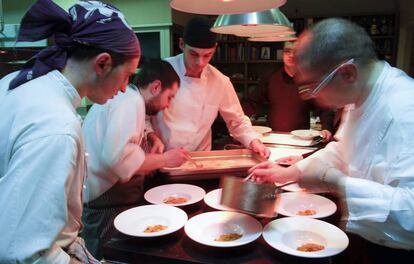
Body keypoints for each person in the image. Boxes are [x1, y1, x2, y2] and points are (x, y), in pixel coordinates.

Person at [249, 18, 414, 250]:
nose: (311, 98)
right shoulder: (360, 94)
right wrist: (291, 173)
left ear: (347, 73)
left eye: (313, 87)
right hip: (363, 235)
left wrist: (338, 184)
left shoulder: (405, 110)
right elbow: (342, 148)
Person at [0, 0, 140, 263]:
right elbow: (27, 253)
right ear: (102, 63)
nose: (124, 89)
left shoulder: (15, 82)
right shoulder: (56, 127)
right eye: (127, 76)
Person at [81, 59, 188, 259]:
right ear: (156, 87)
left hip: (104, 196)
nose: (167, 105)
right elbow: (118, 159)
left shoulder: (131, 99)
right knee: (103, 255)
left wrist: (152, 145)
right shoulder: (130, 102)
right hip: (103, 201)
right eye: (170, 97)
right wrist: (165, 159)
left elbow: (124, 150)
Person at [150, 16, 270, 158]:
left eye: (207, 55)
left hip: (200, 160)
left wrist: (254, 141)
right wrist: (152, 137)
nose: (200, 62)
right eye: (193, 54)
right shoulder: (161, 71)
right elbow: (143, 115)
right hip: (161, 158)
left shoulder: (220, 81)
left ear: (215, 49)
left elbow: (237, 121)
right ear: (182, 44)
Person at [243, 40, 334, 140]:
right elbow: (252, 102)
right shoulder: (271, 77)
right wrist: (240, 122)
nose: (291, 55)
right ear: (282, 54)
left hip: (301, 140)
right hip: (272, 137)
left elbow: (324, 107)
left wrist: (327, 128)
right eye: (287, 51)